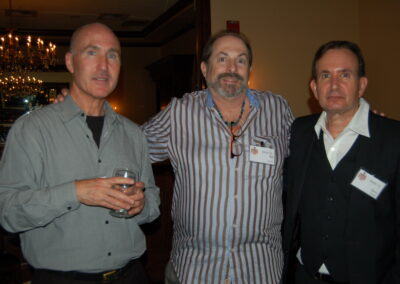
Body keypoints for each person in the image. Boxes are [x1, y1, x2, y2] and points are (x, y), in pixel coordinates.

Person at [0, 22, 160, 284]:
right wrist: (75, 192)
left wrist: (140, 205)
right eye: (91, 52)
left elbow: (152, 201)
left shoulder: (133, 134)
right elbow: (6, 212)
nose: (104, 65)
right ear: (70, 62)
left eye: (113, 55)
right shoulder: (31, 129)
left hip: (131, 275)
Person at [142, 31, 294, 283]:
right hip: (194, 270)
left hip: (261, 270)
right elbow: (127, 145)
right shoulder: (180, 113)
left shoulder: (277, 110)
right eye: (222, 59)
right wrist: (89, 112)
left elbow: (314, 149)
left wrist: (358, 126)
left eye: (241, 60)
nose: (232, 68)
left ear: (250, 69)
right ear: (204, 68)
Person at [282, 41, 400, 284]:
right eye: (325, 75)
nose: (334, 85)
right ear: (314, 87)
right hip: (305, 276)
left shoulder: (393, 139)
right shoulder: (297, 133)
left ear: (361, 85)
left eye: (345, 74)